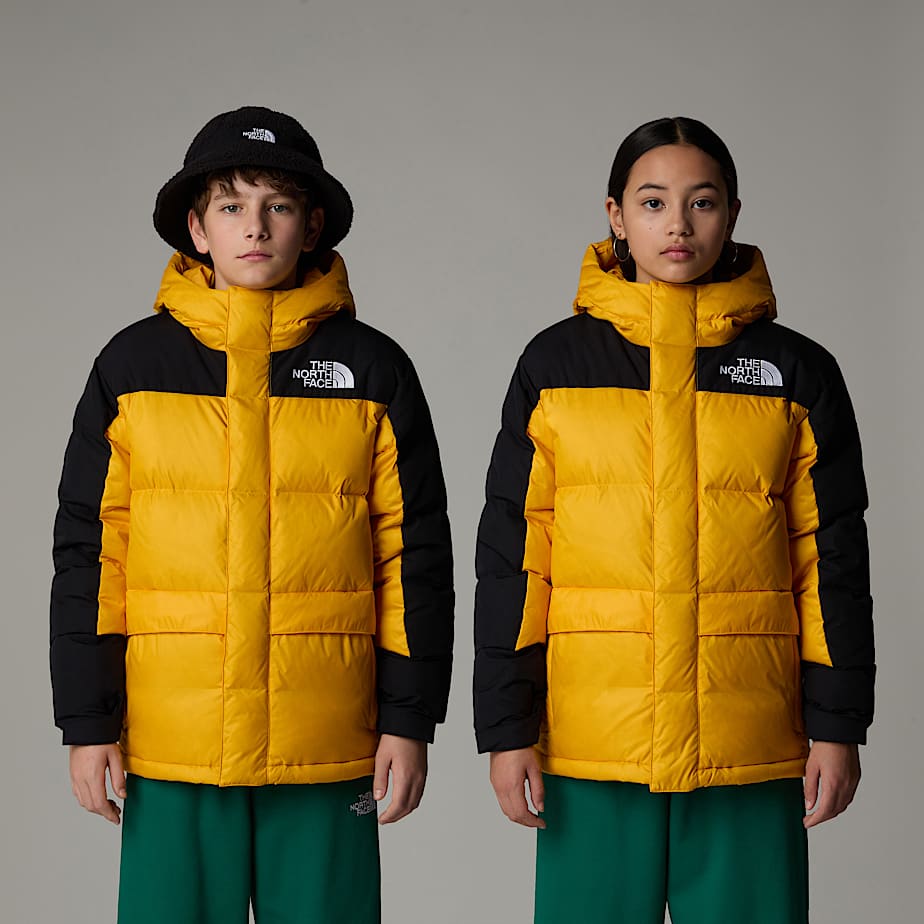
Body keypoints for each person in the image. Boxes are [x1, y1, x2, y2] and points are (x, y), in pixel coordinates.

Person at [50, 105, 454, 924]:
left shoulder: (373, 369)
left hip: (327, 741)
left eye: (279, 205)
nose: (256, 227)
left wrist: (409, 720)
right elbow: (92, 556)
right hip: (173, 743)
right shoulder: (132, 367)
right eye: (231, 206)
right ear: (197, 229)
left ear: (312, 226)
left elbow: (414, 559)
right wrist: (87, 722)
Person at [473, 116, 874, 924]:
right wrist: (507, 727)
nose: (678, 225)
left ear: (732, 214)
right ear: (616, 216)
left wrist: (838, 727)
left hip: (749, 744)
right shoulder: (555, 366)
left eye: (703, 202)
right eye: (653, 202)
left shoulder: (798, 373)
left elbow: (831, 562)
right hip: (592, 745)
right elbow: (517, 559)